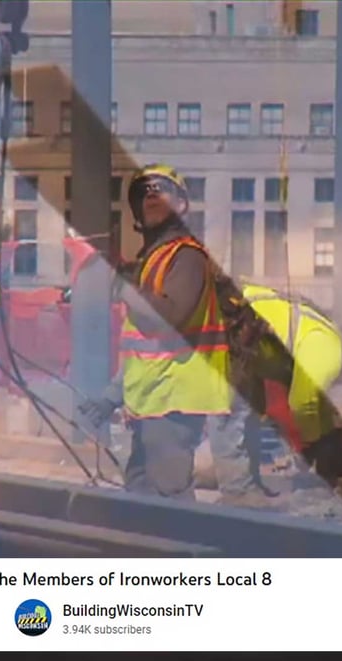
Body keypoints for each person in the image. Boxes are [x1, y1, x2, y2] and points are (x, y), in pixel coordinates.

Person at [88, 163, 232, 501]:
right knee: (139, 489)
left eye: (161, 189)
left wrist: (121, 287)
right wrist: (112, 397)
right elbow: (143, 350)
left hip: (175, 403)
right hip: (152, 401)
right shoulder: (153, 261)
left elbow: (168, 317)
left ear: (181, 205)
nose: (151, 194)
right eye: (144, 192)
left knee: (169, 497)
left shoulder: (188, 256)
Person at [208, 279, 342, 504]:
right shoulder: (330, 350)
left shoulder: (323, 332)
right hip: (231, 331)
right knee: (231, 411)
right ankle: (237, 492)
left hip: (239, 330)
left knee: (250, 411)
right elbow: (303, 402)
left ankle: (248, 486)